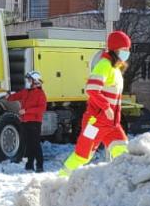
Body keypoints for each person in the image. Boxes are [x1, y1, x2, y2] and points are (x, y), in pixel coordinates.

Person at [60, 31, 132, 177]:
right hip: (95, 123)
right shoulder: (104, 65)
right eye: (124, 49)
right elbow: (92, 89)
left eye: (128, 49)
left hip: (112, 124)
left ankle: (122, 181)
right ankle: (61, 179)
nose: (127, 53)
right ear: (115, 49)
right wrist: (106, 107)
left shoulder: (115, 69)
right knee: (83, 155)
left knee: (122, 151)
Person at [8, 71, 47, 172]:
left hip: (35, 122)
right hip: (25, 122)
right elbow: (15, 96)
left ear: (35, 81)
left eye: (30, 80)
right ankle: (29, 165)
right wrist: (8, 96)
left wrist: (26, 111)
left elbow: (41, 109)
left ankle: (40, 166)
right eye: (28, 80)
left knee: (35, 144)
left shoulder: (40, 94)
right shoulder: (26, 92)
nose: (28, 82)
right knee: (28, 144)